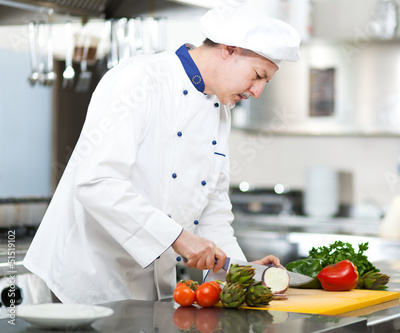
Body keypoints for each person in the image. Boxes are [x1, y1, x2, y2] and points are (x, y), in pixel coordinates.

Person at [23, 3, 301, 304]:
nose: (257, 92)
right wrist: (179, 238)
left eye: (265, 82)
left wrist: (240, 271)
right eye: (258, 75)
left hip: (151, 290)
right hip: (84, 282)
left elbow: (213, 209)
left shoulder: (220, 109)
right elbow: (97, 182)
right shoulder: (139, 80)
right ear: (229, 50)